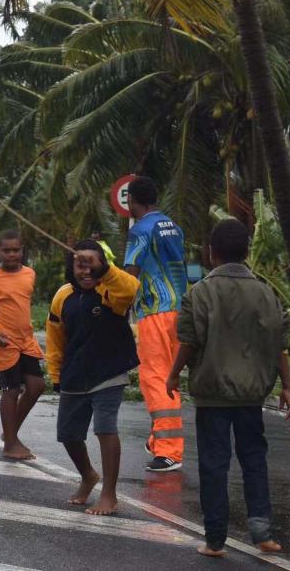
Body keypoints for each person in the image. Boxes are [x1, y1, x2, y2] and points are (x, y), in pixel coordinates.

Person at [166, 219, 290, 557]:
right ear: (247, 252)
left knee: (214, 463)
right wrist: (287, 386)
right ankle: (262, 532)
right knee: (254, 460)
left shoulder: (201, 293)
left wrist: (173, 373)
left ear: (212, 252)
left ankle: (215, 539)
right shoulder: (267, 293)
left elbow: (189, 342)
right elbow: (279, 343)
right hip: (252, 394)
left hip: (212, 395)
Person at [47, 240, 139, 516]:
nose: (85, 271)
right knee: (68, 434)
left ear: (101, 266)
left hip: (109, 371)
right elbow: (55, 338)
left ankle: (109, 494)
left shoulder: (111, 290)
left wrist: (105, 269)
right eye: (79, 264)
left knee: (104, 428)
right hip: (75, 373)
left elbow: (131, 289)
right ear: (70, 266)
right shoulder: (63, 296)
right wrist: (55, 373)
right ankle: (88, 475)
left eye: (91, 264)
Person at [124, 176, 188, 472]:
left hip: (154, 311)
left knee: (156, 378)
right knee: (170, 377)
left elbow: (131, 274)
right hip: (180, 310)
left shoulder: (140, 230)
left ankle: (169, 451)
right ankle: (158, 439)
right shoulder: (173, 226)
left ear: (132, 201)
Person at [0, 229, 45, 460]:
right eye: (6, 250)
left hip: (26, 341)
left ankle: (9, 433)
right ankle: (10, 444)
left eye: (16, 250)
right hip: (3, 344)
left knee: (36, 386)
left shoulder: (29, 274)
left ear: (22, 251)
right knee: (11, 390)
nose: (11, 254)